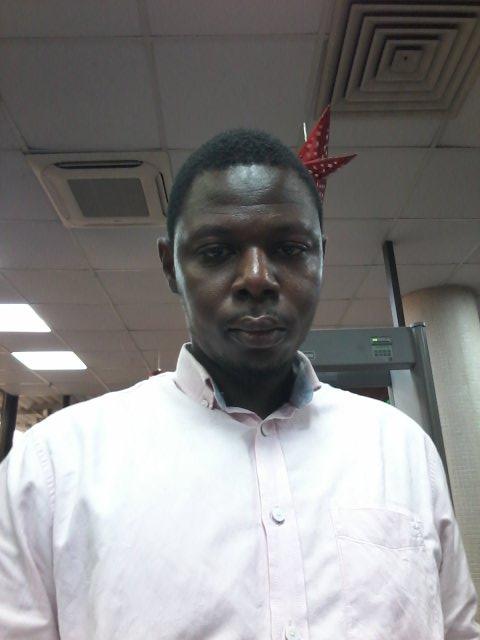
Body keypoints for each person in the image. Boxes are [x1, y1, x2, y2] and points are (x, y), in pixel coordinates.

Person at [0, 129, 478, 640]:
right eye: (216, 251)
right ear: (170, 266)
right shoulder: (55, 468)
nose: (256, 278)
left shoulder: (401, 450)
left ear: (321, 258)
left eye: (290, 249)